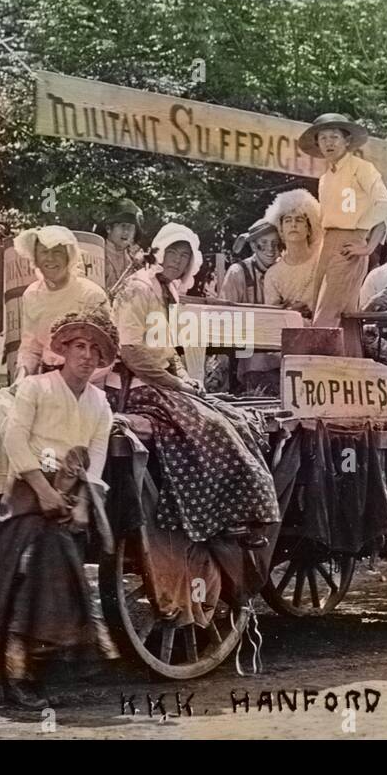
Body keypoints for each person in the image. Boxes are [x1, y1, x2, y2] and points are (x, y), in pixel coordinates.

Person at [110, 222, 281, 549]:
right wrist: (177, 384)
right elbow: (131, 352)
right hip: (133, 388)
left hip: (160, 382)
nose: (176, 260)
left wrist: (185, 378)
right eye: (172, 252)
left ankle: (241, 512)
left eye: (184, 255)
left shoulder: (168, 291)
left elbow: (169, 348)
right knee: (211, 426)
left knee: (232, 416)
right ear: (158, 252)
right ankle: (221, 513)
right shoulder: (139, 288)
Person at [0, 308, 118, 709]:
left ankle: (43, 662)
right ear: (63, 350)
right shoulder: (36, 389)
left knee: (58, 547)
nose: (87, 356)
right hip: (26, 498)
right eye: (79, 346)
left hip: (70, 501)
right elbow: (14, 440)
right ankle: (16, 670)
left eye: (95, 350)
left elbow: (95, 462)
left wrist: (80, 507)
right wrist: (42, 491)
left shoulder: (100, 404)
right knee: (34, 557)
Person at [298, 113, 387, 328]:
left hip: (349, 244)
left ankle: (321, 360)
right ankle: (346, 358)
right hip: (328, 243)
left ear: (347, 141)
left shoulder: (362, 168)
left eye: (334, 137)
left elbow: (385, 206)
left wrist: (367, 245)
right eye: (323, 139)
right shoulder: (325, 179)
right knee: (338, 312)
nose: (328, 143)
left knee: (327, 313)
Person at [14, 224, 109, 379]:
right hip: (48, 379)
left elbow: (107, 351)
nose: (50, 258)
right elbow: (31, 347)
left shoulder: (91, 294)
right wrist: (21, 378)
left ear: (69, 257)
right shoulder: (32, 294)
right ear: (35, 259)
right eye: (44, 252)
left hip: (87, 381)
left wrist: (74, 382)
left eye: (57, 252)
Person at [219, 219, 282, 394]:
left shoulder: (285, 271)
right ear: (253, 246)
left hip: (279, 346)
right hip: (245, 348)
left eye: (275, 244)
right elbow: (224, 317)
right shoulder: (238, 272)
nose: (271, 249)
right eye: (264, 244)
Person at [262, 188, 322, 318]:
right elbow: (272, 317)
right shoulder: (273, 274)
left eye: (299, 220)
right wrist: (291, 312)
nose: (293, 225)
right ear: (281, 230)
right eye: (288, 220)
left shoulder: (323, 263)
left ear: (309, 229)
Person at [100, 197, 144, 294]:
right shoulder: (96, 253)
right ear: (108, 228)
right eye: (123, 225)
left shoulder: (135, 260)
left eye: (131, 227)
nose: (126, 232)